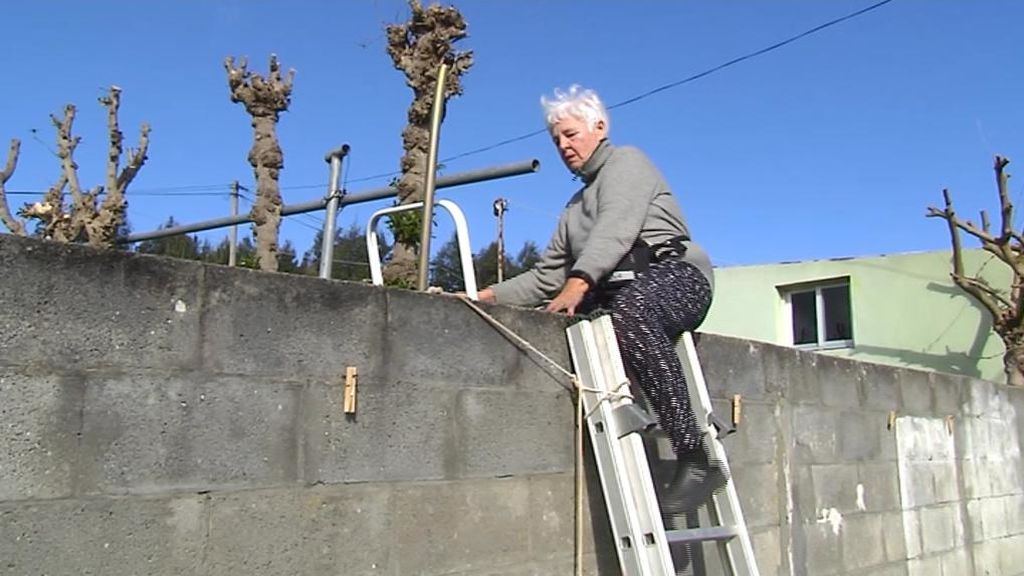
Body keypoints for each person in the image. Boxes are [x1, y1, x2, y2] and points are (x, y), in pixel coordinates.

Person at [477, 84, 723, 513]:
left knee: (630, 311)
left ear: (599, 126)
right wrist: (485, 295)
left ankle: (696, 456)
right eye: (556, 140)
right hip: (618, 292)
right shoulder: (573, 209)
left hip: (678, 277)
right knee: (589, 322)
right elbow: (546, 276)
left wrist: (580, 282)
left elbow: (616, 228)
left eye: (570, 134)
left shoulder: (628, 162)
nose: (563, 146)